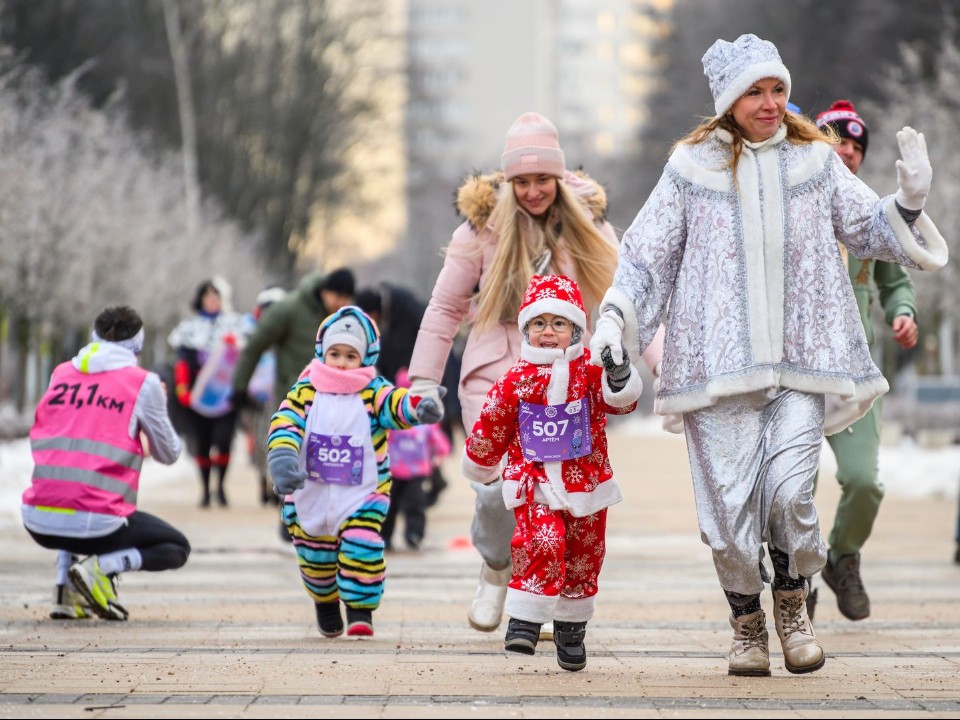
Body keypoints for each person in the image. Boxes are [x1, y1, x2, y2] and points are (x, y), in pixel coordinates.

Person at [589, 33, 947, 677]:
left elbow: (866, 228)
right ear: (728, 100)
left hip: (799, 365)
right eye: (755, 91)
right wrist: (616, 317)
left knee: (789, 495)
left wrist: (908, 204)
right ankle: (746, 624)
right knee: (728, 521)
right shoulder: (690, 167)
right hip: (716, 371)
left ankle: (791, 604)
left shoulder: (814, 161)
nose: (770, 102)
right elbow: (646, 258)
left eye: (777, 89)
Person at [408, 112, 661, 636]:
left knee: (555, 496)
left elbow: (628, 304)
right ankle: (496, 567)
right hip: (493, 377)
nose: (532, 191)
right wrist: (423, 382)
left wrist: (668, 371)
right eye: (521, 181)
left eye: (543, 178)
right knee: (494, 490)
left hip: (563, 390)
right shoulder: (480, 230)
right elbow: (444, 308)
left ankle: (541, 592)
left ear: (559, 177)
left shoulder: (587, 225)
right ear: (508, 182)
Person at [462, 275, 642, 672]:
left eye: (559, 323)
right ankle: (525, 620)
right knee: (541, 541)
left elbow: (619, 403)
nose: (548, 332)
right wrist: (481, 462)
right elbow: (493, 420)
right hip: (535, 483)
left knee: (583, 557)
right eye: (539, 323)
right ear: (526, 328)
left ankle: (571, 630)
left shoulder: (589, 372)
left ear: (576, 329)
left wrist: (618, 376)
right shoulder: (516, 378)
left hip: (587, 485)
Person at [806, 99, 919, 622]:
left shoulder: (872, 213)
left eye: (855, 146)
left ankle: (843, 558)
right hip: (798, 371)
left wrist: (903, 312)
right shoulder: (795, 206)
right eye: (837, 142)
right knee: (792, 486)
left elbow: (896, 281)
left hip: (853, 375)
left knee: (864, 482)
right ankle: (797, 573)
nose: (847, 152)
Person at [265, 306, 443, 637]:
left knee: (363, 545)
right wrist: (283, 458)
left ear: (365, 356)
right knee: (314, 556)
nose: (342, 362)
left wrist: (418, 407)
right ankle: (325, 601)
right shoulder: (305, 391)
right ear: (322, 352)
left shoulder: (372, 390)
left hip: (362, 493)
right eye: (335, 354)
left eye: (351, 356)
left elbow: (395, 404)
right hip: (311, 491)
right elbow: (285, 422)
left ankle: (361, 610)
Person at [22, 306, 190, 621]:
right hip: (98, 525)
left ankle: (64, 589)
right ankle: (101, 569)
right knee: (176, 547)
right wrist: (158, 406)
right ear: (137, 345)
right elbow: (169, 453)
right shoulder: (142, 383)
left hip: (37, 520)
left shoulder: (61, 373)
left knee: (69, 487)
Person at [230, 267, 355, 537]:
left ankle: (327, 522)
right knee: (294, 458)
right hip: (295, 399)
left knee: (329, 462)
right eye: (338, 297)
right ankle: (288, 517)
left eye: (346, 298)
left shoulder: (343, 318)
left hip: (334, 403)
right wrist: (239, 386)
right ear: (325, 291)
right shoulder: (289, 309)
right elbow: (255, 345)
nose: (341, 303)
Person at [356, 283, 457, 508]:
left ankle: (428, 481)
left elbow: (426, 346)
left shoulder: (407, 310)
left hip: (419, 382)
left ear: (375, 311)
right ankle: (426, 482)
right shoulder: (389, 314)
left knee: (421, 435)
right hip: (401, 384)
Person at [167, 278, 249, 507]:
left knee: (223, 440)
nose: (213, 301)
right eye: (208, 296)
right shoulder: (189, 327)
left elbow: (245, 359)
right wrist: (182, 389)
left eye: (216, 296)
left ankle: (220, 486)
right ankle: (205, 489)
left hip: (226, 396)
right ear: (201, 299)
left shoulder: (234, 325)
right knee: (202, 443)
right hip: (198, 396)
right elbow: (181, 362)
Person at [381, 368, 452, 551]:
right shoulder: (393, 417)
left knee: (415, 504)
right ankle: (385, 536)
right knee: (389, 505)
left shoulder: (427, 418)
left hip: (417, 470)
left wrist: (440, 454)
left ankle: (414, 534)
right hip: (393, 470)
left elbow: (437, 439)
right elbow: (382, 436)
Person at [240, 285, 288, 506]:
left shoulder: (289, 336)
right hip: (257, 398)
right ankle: (263, 481)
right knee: (261, 443)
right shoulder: (249, 334)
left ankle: (276, 485)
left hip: (283, 396)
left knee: (280, 441)